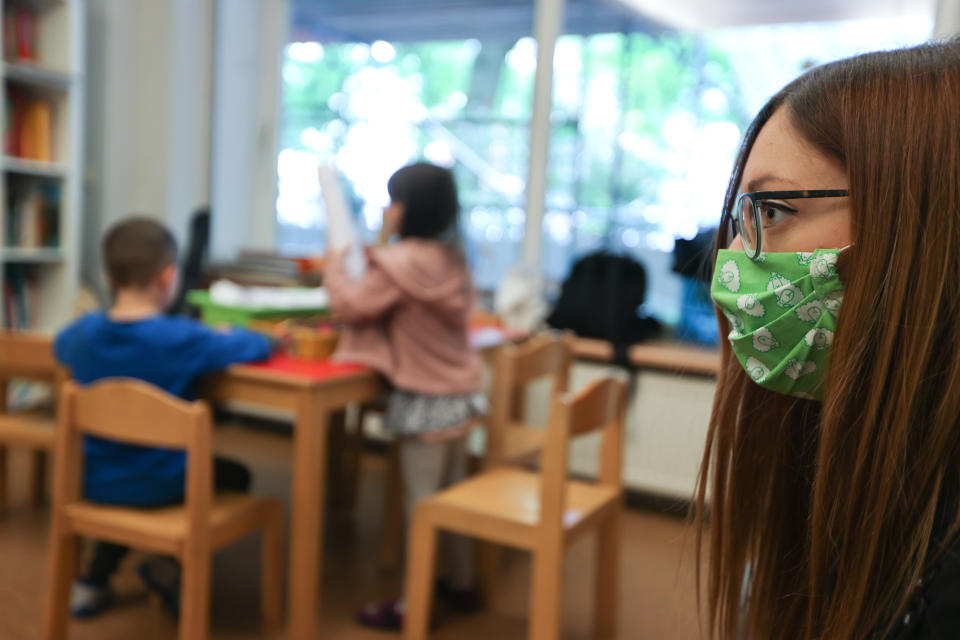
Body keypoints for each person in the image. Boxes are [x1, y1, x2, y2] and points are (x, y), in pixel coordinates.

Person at [699, 41, 960, 640]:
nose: (731, 262)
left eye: (774, 210)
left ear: (924, 222)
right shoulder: (851, 462)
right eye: (742, 217)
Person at [54, 217, 273, 618]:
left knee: (126, 473)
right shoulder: (182, 337)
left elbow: (60, 347)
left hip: (94, 482)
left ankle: (92, 581)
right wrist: (258, 336)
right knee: (235, 476)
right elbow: (253, 346)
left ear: (109, 276)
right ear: (168, 276)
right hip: (164, 483)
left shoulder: (82, 334)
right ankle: (171, 567)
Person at [324, 162, 486, 631]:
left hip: (425, 399)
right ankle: (462, 582)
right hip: (462, 394)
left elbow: (351, 304)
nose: (386, 209)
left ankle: (413, 606)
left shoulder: (398, 262)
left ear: (405, 211)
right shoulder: (454, 258)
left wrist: (337, 264)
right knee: (451, 498)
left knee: (421, 506)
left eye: (392, 201)